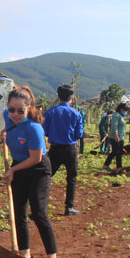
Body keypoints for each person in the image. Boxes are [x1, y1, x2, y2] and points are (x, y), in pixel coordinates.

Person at [3, 85, 59, 258]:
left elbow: (35, 158)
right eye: (12, 109)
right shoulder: (7, 116)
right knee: (19, 212)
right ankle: (25, 254)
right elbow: (9, 112)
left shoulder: (34, 128)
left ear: (29, 108)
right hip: (19, 167)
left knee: (39, 213)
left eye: (21, 110)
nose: (15, 114)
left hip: (38, 170)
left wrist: (13, 169)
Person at [43, 84, 83, 216]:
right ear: (71, 97)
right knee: (71, 177)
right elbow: (79, 134)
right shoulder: (76, 114)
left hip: (55, 148)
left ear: (58, 96)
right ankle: (69, 207)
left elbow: (45, 130)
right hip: (70, 149)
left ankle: (41, 206)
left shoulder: (50, 112)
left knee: (46, 176)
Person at [103, 102, 128, 170]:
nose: (125, 112)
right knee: (115, 151)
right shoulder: (116, 115)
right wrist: (116, 135)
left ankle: (119, 167)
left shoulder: (120, 116)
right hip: (115, 137)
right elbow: (114, 126)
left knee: (119, 152)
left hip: (120, 137)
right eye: (125, 110)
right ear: (121, 109)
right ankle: (106, 165)